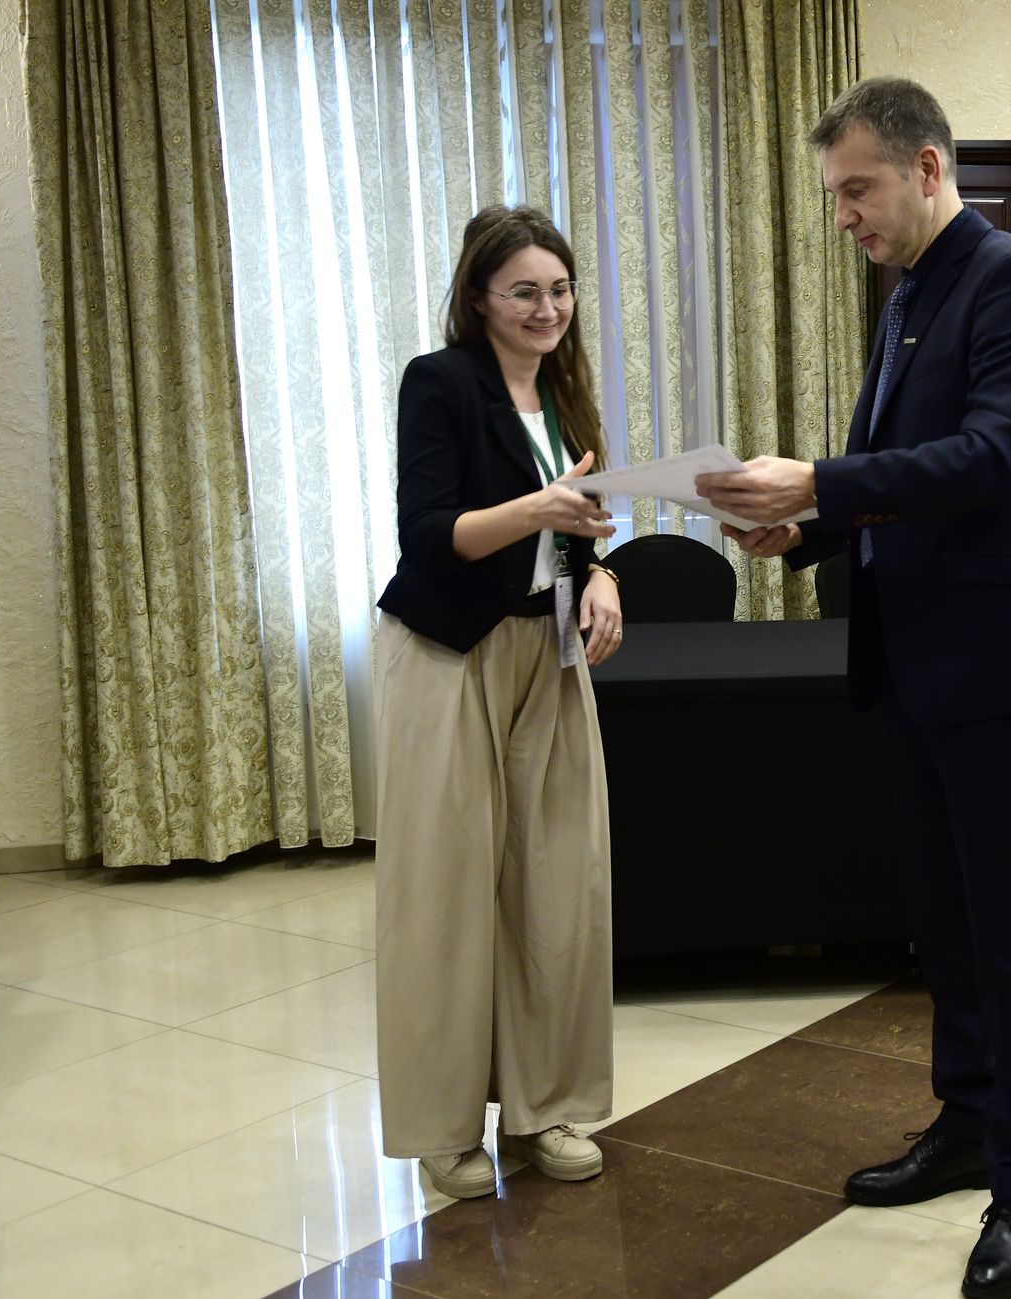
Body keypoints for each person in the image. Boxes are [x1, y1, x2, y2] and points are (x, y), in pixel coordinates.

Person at [695, 76, 1011, 1299]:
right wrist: (806, 530)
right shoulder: (913, 289)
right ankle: (968, 1122)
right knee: (946, 922)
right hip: (917, 659)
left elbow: (996, 456)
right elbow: (899, 469)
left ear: (929, 168)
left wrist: (817, 483)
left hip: (995, 662)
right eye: (833, 197)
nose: (843, 217)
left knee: (1009, 931)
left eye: (856, 190)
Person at [374, 204, 624, 1200]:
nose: (546, 308)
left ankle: (541, 1109)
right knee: (444, 897)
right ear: (478, 297)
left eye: (559, 290)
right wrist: (538, 510)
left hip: (545, 653)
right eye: (524, 291)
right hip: (450, 652)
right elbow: (430, 534)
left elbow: (579, 533)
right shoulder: (438, 383)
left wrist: (602, 576)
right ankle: (444, 1128)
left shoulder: (565, 393)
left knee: (557, 890)